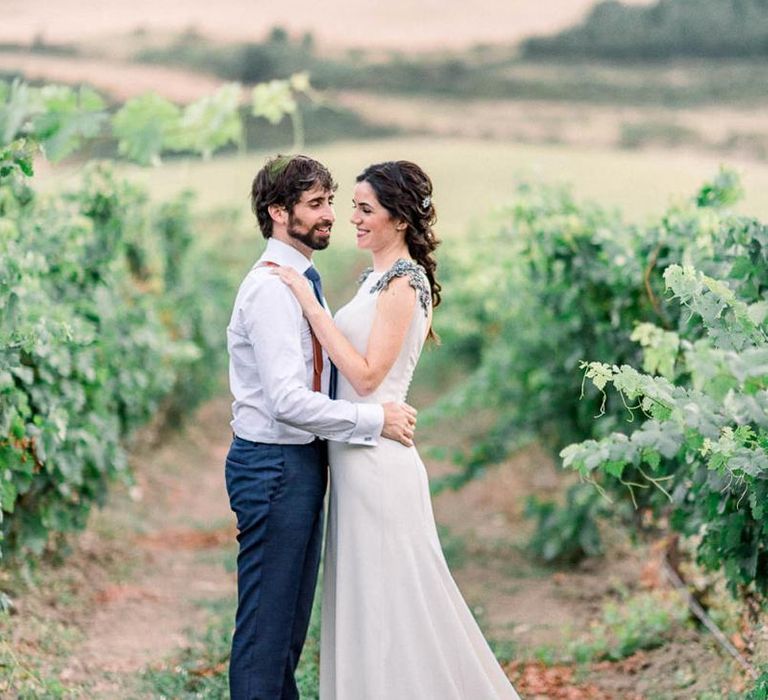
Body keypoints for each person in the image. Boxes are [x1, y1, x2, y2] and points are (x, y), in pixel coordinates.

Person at [274, 160, 520, 699]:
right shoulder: (375, 279)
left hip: (377, 466)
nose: (352, 220)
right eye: (353, 208)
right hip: (356, 457)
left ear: (399, 219)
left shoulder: (405, 283)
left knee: (395, 605)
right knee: (368, 604)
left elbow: (365, 377)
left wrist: (313, 310)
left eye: (366, 210)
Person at [225, 154, 418, 700]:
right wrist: (374, 419)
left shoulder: (301, 280)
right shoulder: (269, 289)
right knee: (267, 634)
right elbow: (287, 400)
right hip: (273, 467)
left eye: (330, 201)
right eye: (316, 204)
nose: (331, 214)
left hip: (298, 464)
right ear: (278, 213)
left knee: (285, 633)